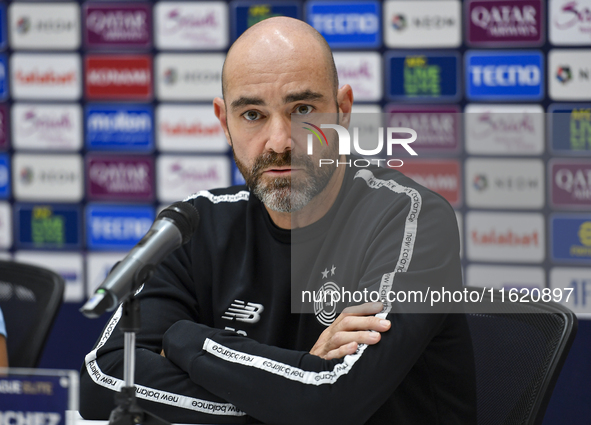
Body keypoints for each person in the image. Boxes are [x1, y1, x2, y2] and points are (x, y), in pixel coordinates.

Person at [80, 17, 475, 424]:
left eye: (302, 109)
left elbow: (333, 403)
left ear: (343, 110)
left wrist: (185, 339)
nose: (280, 141)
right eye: (252, 114)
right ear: (224, 123)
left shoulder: (408, 217)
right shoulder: (196, 224)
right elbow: (103, 381)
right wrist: (295, 384)